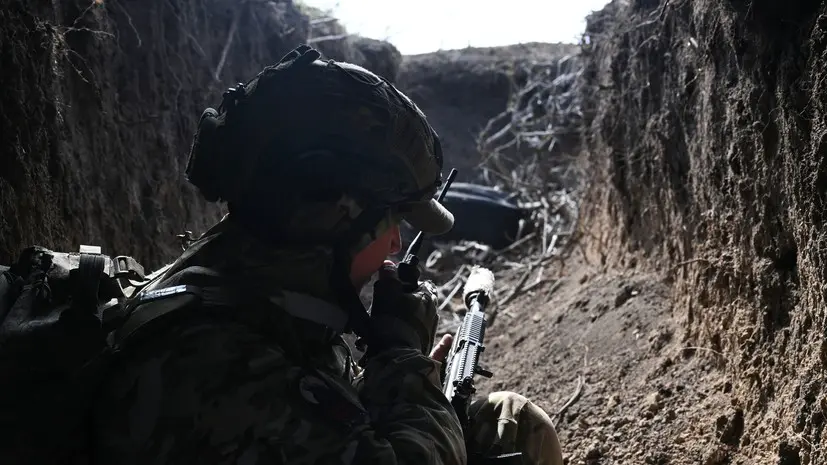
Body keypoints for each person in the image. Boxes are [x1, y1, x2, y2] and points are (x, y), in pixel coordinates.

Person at [92, 45, 564, 465]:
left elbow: (318, 412)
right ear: (337, 216)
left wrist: (403, 375)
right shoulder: (212, 355)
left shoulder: (254, 289)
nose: (396, 244)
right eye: (391, 222)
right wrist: (400, 355)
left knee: (508, 421)